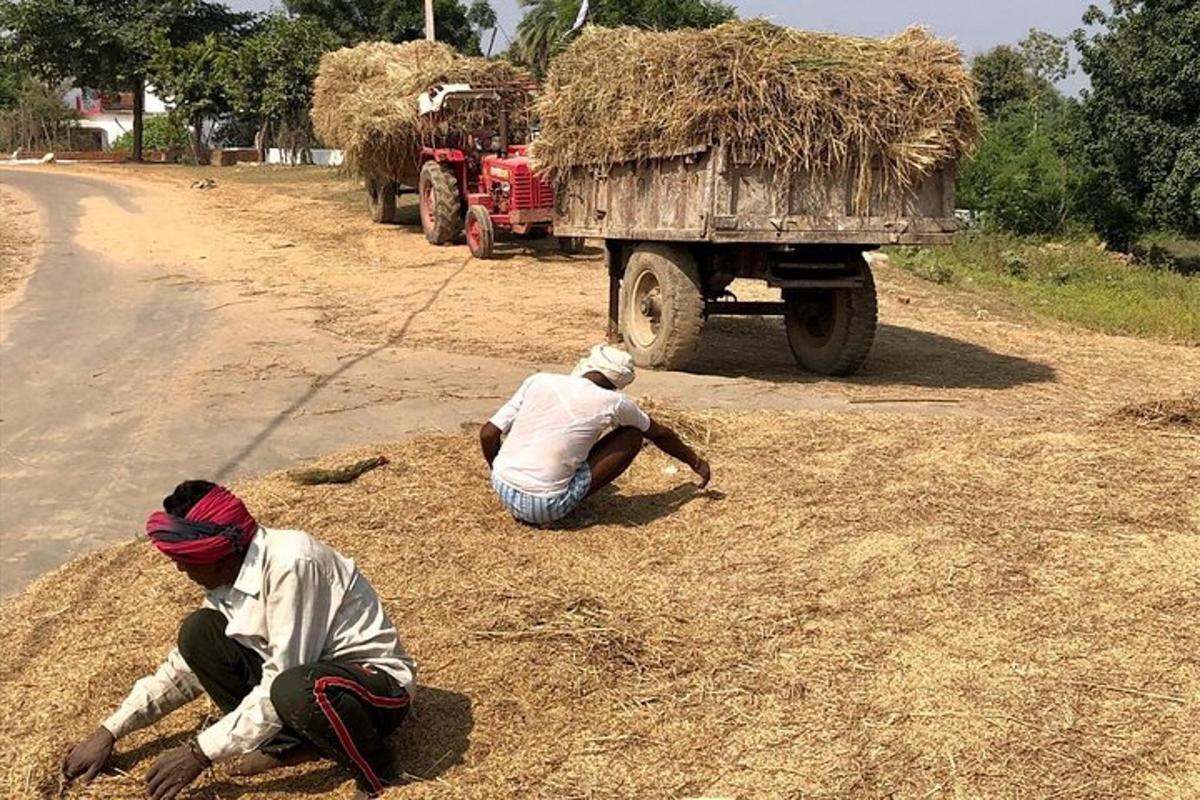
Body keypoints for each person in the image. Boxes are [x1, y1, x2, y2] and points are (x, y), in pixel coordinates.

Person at [61, 481, 416, 800]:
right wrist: (110, 730)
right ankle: (296, 743)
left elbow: (284, 675)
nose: (181, 571)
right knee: (199, 633)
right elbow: (184, 671)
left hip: (375, 691)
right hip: (312, 684)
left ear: (216, 555)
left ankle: (379, 774)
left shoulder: (292, 563)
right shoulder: (228, 578)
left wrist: (200, 752)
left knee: (294, 689)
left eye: (184, 561)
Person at [481, 344, 711, 526]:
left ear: (587, 364)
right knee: (632, 435)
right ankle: (557, 514)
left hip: (501, 486)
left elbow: (488, 434)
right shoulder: (615, 402)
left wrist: (501, 473)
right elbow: (660, 434)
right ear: (618, 384)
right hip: (546, 505)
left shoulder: (539, 380)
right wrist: (696, 462)